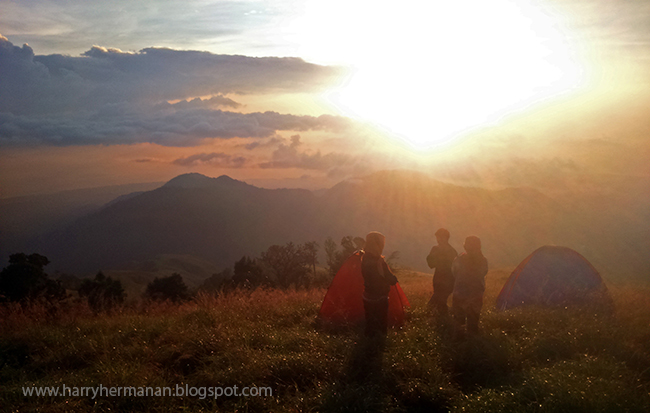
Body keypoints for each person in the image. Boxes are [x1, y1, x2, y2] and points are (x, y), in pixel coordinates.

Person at [361, 231, 398, 336]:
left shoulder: (364, 258)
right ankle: (379, 345)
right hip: (380, 298)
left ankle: (368, 345)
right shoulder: (378, 261)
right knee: (381, 323)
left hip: (367, 296)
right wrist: (394, 278)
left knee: (370, 323)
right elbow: (391, 279)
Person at [451, 236, 488, 335]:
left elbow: (453, 272)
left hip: (460, 292)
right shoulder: (483, 260)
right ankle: (472, 342)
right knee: (473, 320)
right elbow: (483, 272)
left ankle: (459, 341)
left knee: (459, 320)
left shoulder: (459, 259)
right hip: (476, 293)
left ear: (465, 246)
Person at [426, 228, 458, 316]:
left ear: (445, 238)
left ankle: (432, 317)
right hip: (448, 280)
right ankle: (444, 321)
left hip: (442, 279)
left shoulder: (437, 249)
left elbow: (431, 264)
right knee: (441, 301)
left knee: (438, 301)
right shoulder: (453, 251)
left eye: (439, 237)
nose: (438, 240)